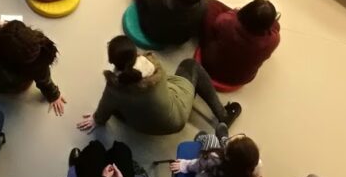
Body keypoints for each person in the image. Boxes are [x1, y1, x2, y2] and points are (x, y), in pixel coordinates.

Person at [77, 35, 240, 136]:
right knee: (190, 65)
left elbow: (103, 111)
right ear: (135, 54)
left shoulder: (115, 88)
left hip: (143, 127)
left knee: (114, 107)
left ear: (111, 61)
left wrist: (97, 120)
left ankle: (193, 100)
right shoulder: (153, 64)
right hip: (175, 118)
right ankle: (223, 115)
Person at [199, 0, 281, 85]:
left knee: (212, 5)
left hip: (210, 66)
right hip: (241, 79)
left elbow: (219, 22)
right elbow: (275, 28)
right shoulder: (273, 40)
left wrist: (235, 11)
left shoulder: (227, 21)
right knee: (277, 26)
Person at [169, 132, 262, 177]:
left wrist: (184, 165)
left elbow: (196, 166)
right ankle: (223, 138)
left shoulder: (213, 159)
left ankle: (207, 138)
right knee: (222, 143)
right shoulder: (255, 168)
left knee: (210, 138)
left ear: (227, 154)